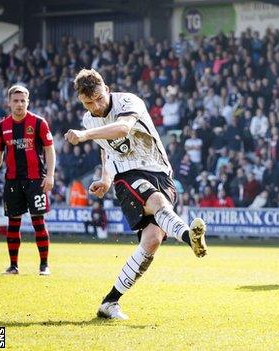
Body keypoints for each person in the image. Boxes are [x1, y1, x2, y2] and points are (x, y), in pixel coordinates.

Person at [64, 69, 207, 320]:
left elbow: (122, 129)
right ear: (81, 101)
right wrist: (107, 179)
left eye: (99, 98)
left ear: (106, 89)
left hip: (161, 172)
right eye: (89, 103)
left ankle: (110, 302)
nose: (96, 106)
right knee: (158, 203)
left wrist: (86, 135)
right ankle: (189, 237)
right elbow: (106, 149)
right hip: (127, 176)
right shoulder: (89, 119)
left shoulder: (129, 102)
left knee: (151, 240)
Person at [0, 85, 55, 276]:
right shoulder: (2, 127)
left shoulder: (38, 123)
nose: (19, 104)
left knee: (38, 221)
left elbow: (49, 149)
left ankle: (44, 265)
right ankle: (13, 266)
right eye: (15, 101)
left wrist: (50, 175)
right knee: (13, 223)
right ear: (9, 103)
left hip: (36, 180)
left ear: (28, 102)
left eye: (23, 101)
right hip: (12, 181)